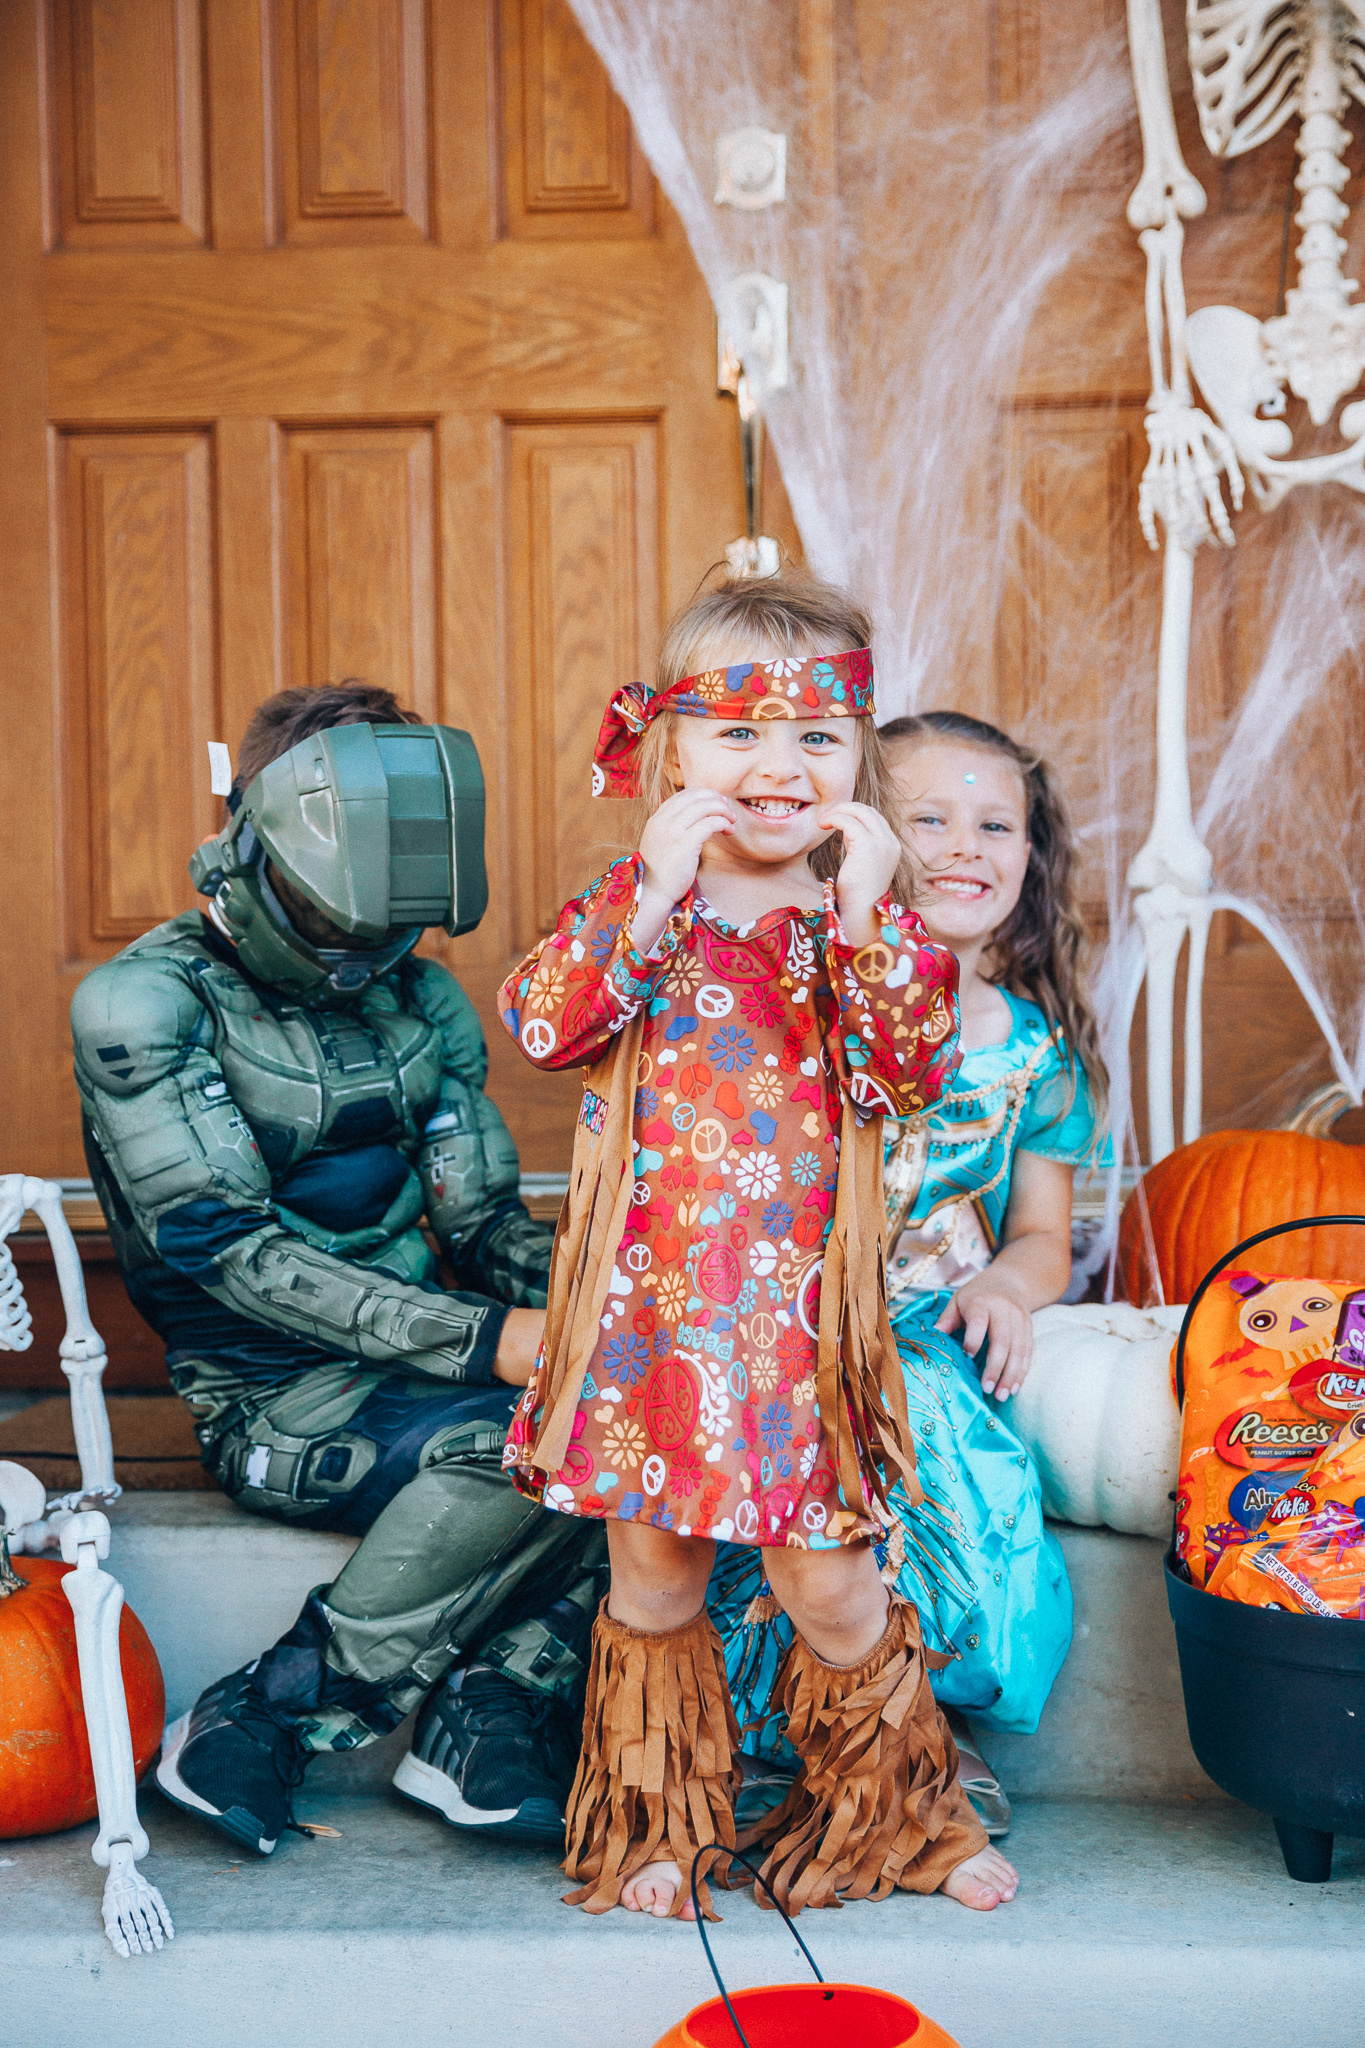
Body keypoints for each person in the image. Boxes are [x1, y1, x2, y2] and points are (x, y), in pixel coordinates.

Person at [498, 573, 1019, 1921]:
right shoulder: (639, 906)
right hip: (651, 1319)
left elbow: (900, 1072)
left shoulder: (865, 930)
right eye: (736, 734)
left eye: (815, 738)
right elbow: (543, 1021)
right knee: (654, 1573)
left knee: (831, 1583)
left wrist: (860, 915)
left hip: (798, 1327)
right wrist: (654, 892)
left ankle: (907, 1821)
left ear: (859, 761)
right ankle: (658, 1830)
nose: (777, 766)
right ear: (668, 748)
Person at [72, 685, 607, 1859]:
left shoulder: (425, 996)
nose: (364, 949)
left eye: (386, 921)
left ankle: (486, 1714)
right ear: (248, 843)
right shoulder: (143, 1003)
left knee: (672, 1414)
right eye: (331, 912)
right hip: (272, 1397)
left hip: (429, 1360)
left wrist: (610, 1295)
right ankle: (264, 1707)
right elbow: (231, 1255)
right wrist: (492, 1341)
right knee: (528, 1442)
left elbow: (485, 1223)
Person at [714, 708, 1108, 1834]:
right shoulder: (801, 996)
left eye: (996, 823)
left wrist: (1006, 1286)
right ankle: (768, 1720)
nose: (963, 845)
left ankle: (925, 1712)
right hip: (783, 1309)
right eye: (925, 817)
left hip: (925, 1319)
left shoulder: (1032, 1050)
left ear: (1031, 860)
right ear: (858, 835)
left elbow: (1040, 1229)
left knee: (925, 1411)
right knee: (799, 1422)